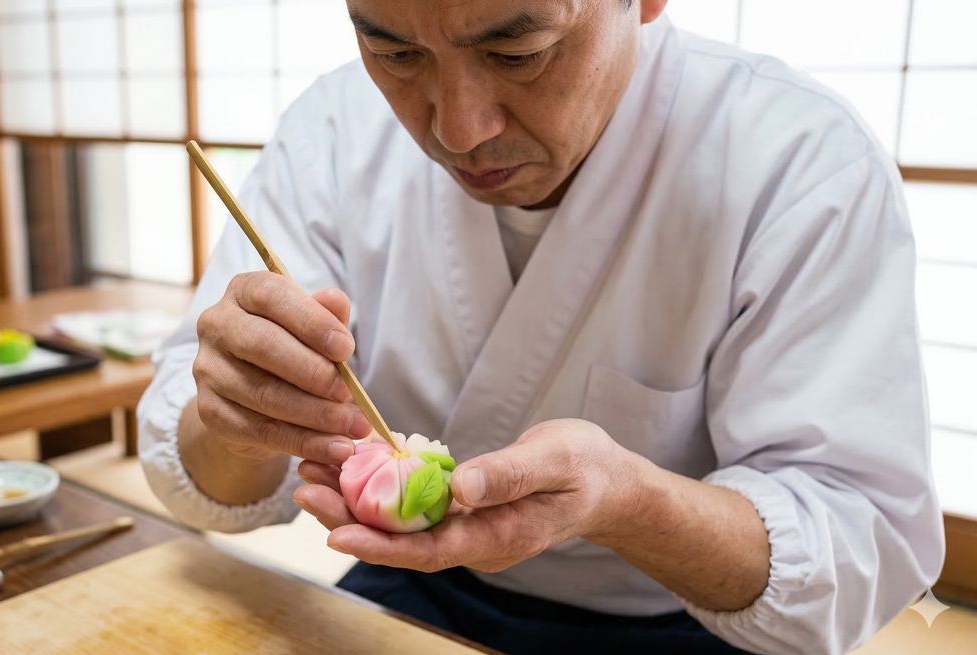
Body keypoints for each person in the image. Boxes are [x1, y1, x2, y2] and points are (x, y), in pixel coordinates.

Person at [137, 1, 945, 653]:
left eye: (517, 52)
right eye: (394, 53)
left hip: (686, 619)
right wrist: (237, 424)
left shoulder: (795, 162)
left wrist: (625, 501)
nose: (457, 130)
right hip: (413, 592)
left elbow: (853, 537)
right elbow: (204, 476)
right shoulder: (331, 136)